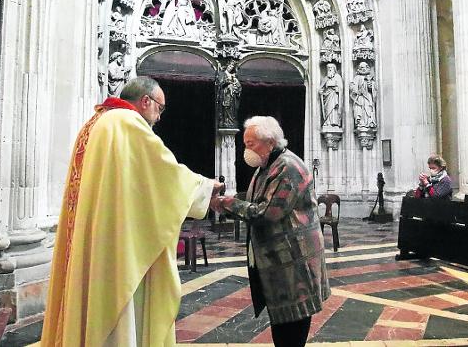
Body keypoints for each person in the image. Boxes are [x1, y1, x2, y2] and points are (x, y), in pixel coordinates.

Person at [41, 76, 224, 346]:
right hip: (116, 245)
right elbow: (163, 174)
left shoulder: (96, 123)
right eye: (159, 109)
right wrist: (206, 190)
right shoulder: (128, 124)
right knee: (120, 313)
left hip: (93, 234)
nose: (159, 117)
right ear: (145, 101)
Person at [210, 116, 330, 347]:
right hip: (280, 265)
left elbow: (268, 213)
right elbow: (256, 201)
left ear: (270, 142)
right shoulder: (267, 166)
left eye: (250, 143)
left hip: (296, 265)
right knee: (282, 329)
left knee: (291, 333)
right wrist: (227, 201)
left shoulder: (289, 167)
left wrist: (226, 203)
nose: (246, 149)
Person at [319, 63, 343, 127]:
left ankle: (334, 122)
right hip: (327, 96)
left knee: (334, 108)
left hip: (334, 95)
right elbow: (321, 88)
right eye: (328, 68)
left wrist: (336, 89)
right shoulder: (325, 78)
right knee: (328, 108)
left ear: (334, 69)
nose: (329, 69)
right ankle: (327, 122)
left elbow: (341, 88)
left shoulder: (338, 77)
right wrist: (321, 91)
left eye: (331, 68)